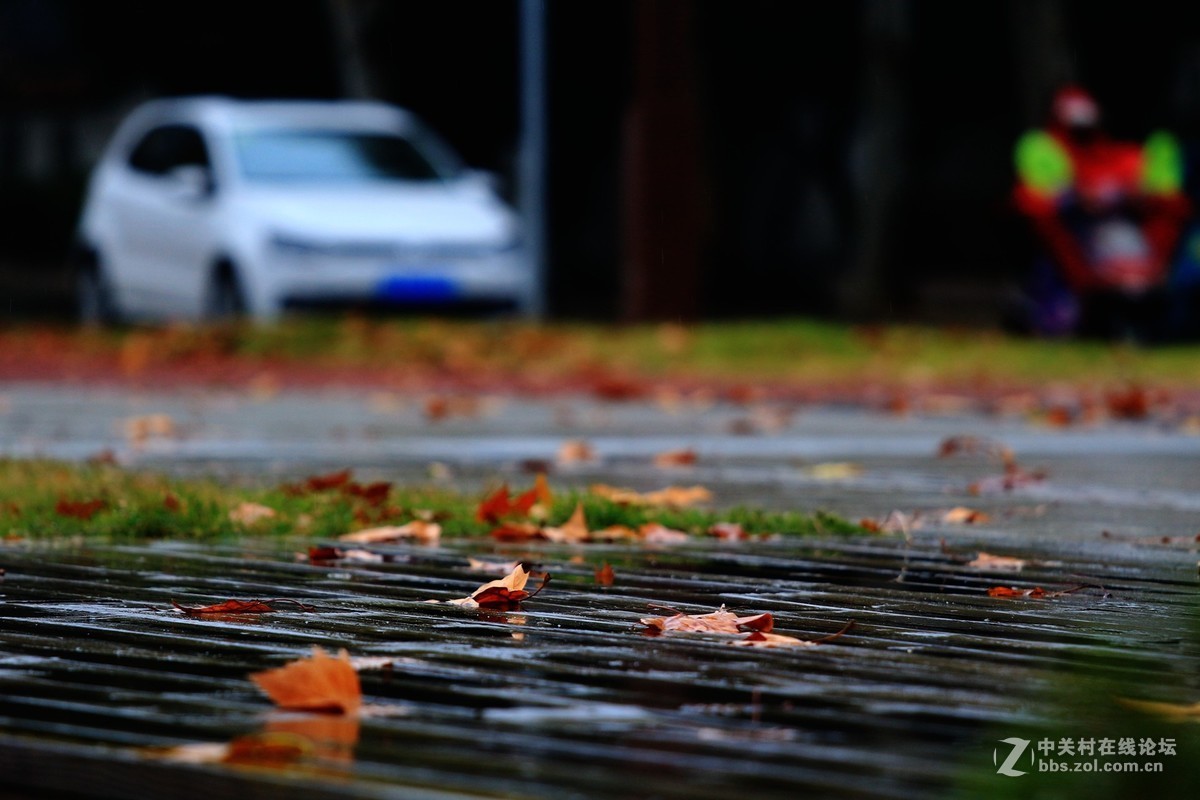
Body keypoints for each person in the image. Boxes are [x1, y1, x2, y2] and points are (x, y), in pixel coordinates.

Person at [1011, 85, 1190, 339]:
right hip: (1078, 239)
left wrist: (1136, 197)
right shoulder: (1041, 148)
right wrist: (1077, 196)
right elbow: (1035, 199)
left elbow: (1169, 200)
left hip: (1125, 234)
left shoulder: (1133, 153)